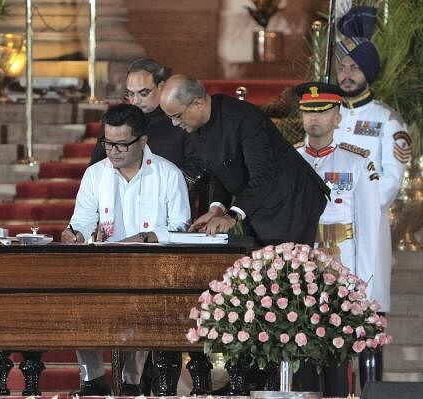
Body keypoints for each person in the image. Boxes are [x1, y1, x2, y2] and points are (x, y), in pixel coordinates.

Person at [61, 103, 191, 396]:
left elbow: (182, 227)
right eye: (108, 143)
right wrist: (75, 235)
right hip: (103, 268)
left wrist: (148, 237)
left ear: (142, 141)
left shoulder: (168, 174)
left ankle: (131, 382)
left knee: (142, 298)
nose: (113, 151)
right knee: (78, 297)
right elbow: (82, 220)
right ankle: (92, 379)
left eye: (122, 145)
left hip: (153, 270)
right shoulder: (95, 175)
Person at [334, 5, 412, 388]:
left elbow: (390, 182)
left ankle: (370, 393)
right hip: (326, 231)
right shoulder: (326, 117)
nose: (347, 75)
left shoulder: (387, 121)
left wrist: (351, 206)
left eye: (355, 68)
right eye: (342, 67)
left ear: (369, 71)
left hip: (366, 231)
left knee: (367, 322)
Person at [159, 74, 330, 246]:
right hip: (256, 203)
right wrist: (216, 209)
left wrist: (232, 216)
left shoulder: (243, 118)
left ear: (198, 103)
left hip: (290, 201)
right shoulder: (195, 124)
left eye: (177, 116)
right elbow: (220, 168)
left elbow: (263, 175)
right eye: (170, 117)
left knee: (284, 268)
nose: (174, 124)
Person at [295, 82, 382, 396]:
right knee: (300, 348)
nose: (314, 118)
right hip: (300, 265)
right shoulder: (291, 160)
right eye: (308, 111)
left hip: (342, 263)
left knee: (337, 354)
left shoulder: (357, 161)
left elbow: (369, 227)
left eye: (323, 111)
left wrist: (364, 285)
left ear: (337, 117)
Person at [89, 58, 204, 189]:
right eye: (130, 94)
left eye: (143, 93)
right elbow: (97, 165)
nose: (135, 100)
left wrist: (163, 188)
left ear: (161, 86)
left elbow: (196, 166)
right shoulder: (117, 120)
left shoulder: (180, 119)